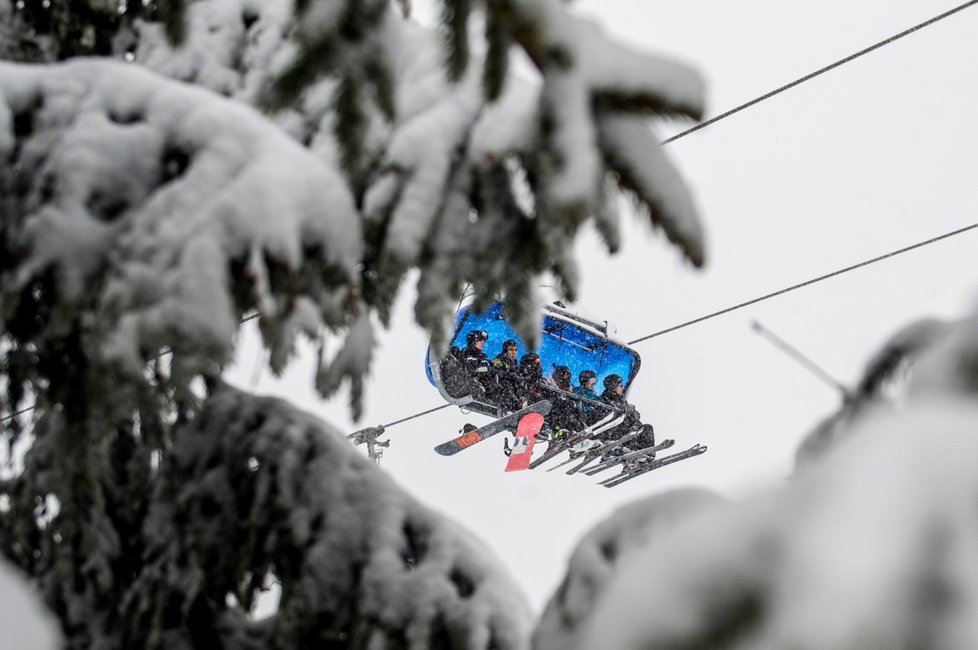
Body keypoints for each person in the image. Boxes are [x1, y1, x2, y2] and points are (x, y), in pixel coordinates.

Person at [598, 374, 656, 451]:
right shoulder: (603, 400)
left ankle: (646, 453)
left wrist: (632, 411)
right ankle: (629, 452)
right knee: (630, 432)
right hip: (615, 433)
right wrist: (623, 411)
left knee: (647, 428)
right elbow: (606, 417)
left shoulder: (621, 400)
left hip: (627, 431)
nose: (623, 388)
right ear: (613, 386)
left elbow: (636, 415)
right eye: (620, 385)